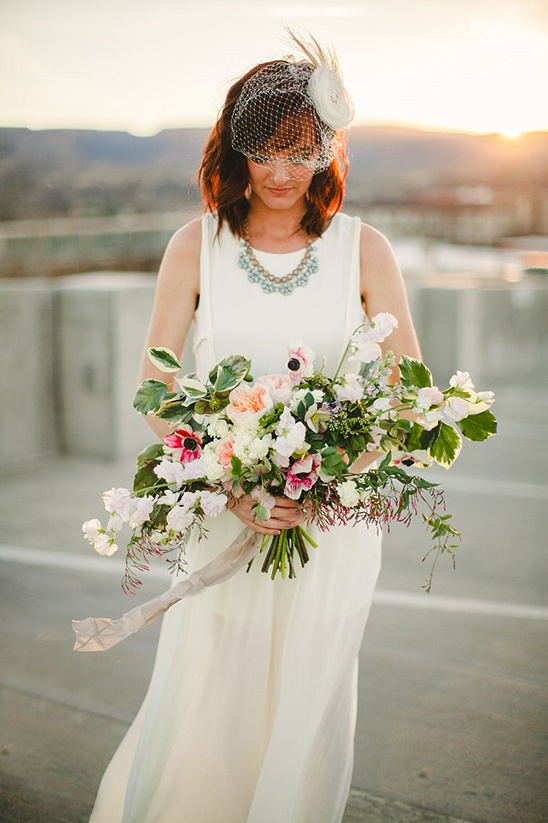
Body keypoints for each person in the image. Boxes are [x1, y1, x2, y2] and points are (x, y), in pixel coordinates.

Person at [88, 31, 420, 823]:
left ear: (326, 149)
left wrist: (327, 483)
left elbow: (410, 395)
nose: (280, 172)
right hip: (221, 521)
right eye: (265, 150)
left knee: (306, 714)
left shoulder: (363, 249)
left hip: (330, 534)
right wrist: (229, 483)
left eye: (300, 150)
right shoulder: (193, 247)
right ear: (233, 148)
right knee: (209, 704)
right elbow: (156, 387)